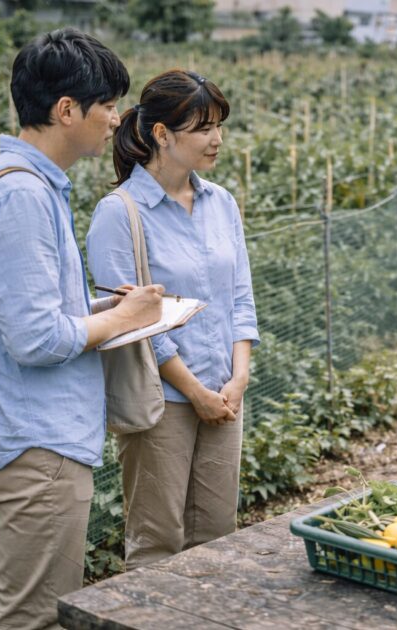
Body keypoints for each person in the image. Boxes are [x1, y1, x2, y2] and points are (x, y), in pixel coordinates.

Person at [0, 29, 164, 630]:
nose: (116, 118)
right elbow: (36, 339)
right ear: (66, 110)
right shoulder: (21, 194)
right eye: (107, 105)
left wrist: (103, 308)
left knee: (12, 603)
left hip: (23, 438)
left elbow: (24, 311)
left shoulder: (19, 183)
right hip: (34, 446)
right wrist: (122, 319)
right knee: (34, 617)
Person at [86, 70, 259, 570]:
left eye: (219, 126)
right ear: (162, 133)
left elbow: (240, 298)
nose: (217, 139)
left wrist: (238, 377)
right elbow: (130, 323)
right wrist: (195, 391)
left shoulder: (221, 203)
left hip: (226, 393)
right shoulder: (120, 214)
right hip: (162, 401)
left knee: (217, 534)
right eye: (203, 128)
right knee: (157, 540)